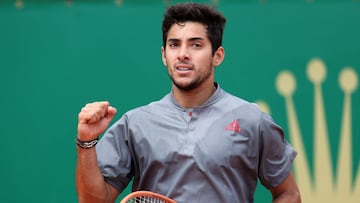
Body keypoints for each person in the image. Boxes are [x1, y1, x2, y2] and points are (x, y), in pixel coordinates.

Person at [76, 2, 301, 203]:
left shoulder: (252, 119)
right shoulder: (135, 124)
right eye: (174, 45)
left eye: (196, 45)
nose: (183, 54)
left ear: (218, 55)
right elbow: (94, 201)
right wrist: (86, 142)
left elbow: (288, 193)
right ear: (164, 55)